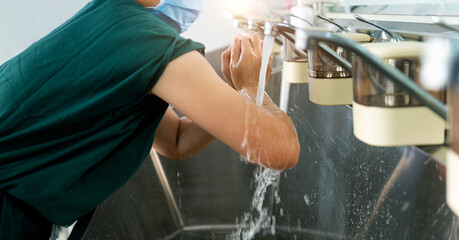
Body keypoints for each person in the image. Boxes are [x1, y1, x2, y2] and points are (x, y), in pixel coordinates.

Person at [0, 0, 300, 239]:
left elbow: (176, 140)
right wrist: (250, 86)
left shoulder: (111, 15)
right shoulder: (145, 40)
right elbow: (280, 149)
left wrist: (235, 94)